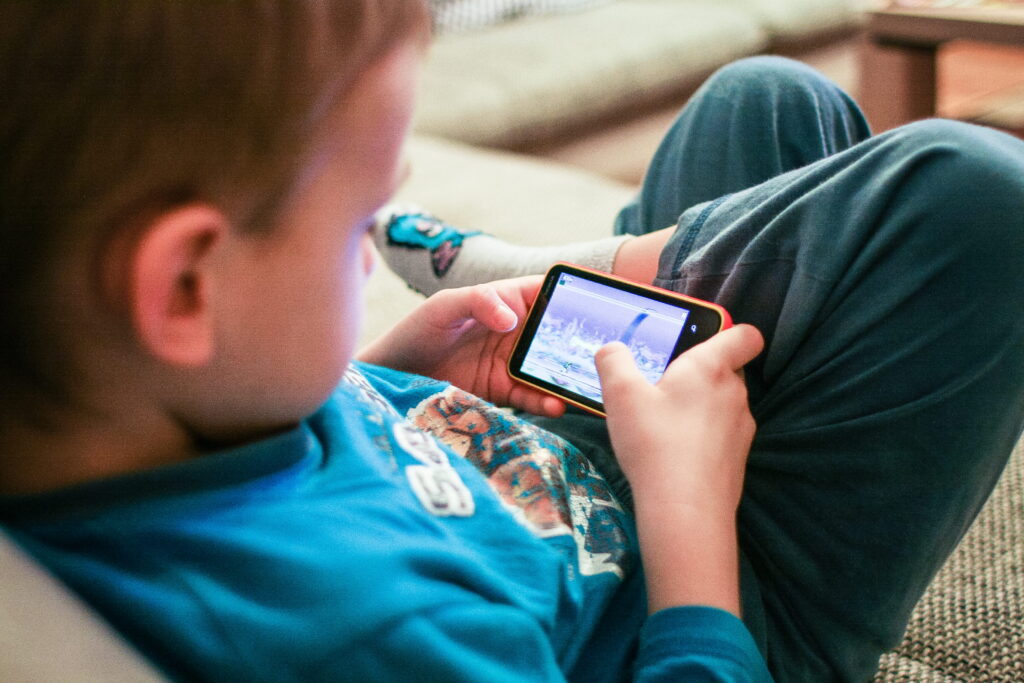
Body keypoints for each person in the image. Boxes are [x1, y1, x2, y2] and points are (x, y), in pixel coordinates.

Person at [0, 2, 1020, 682]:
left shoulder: (122, 408)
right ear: (185, 286)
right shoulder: (360, 638)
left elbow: (271, 448)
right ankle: (619, 258)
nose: (366, 258)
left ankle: (624, 260)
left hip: (572, 452)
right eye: (358, 223)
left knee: (762, 101)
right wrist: (687, 510)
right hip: (701, 587)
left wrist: (389, 376)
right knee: (973, 197)